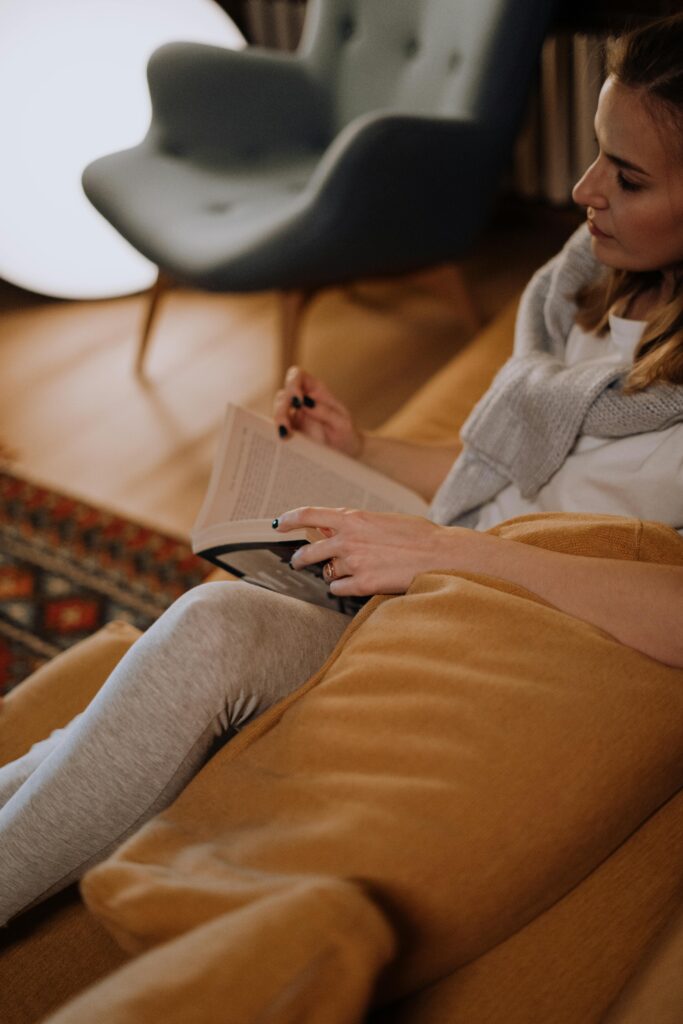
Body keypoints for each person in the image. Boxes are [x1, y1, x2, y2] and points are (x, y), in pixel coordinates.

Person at [1, 13, 682, 929]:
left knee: (210, 631)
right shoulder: (587, 284)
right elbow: (516, 471)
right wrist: (360, 451)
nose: (581, 190)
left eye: (626, 177)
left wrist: (446, 556)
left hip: (527, 634)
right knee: (189, 648)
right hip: (458, 575)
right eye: (598, 154)